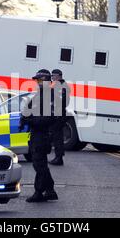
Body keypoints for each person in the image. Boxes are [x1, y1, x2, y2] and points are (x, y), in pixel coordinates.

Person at [20, 69, 58, 203]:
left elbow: (49, 118)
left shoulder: (50, 96)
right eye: (37, 81)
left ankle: (39, 192)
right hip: (36, 134)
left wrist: (31, 121)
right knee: (40, 164)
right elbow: (27, 110)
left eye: (40, 80)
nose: (37, 83)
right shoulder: (39, 95)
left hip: (43, 135)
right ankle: (50, 190)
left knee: (39, 165)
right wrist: (23, 119)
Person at [49, 69, 71, 166]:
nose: (52, 77)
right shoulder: (58, 85)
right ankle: (58, 157)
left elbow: (62, 101)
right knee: (57, 136)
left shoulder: (61, 86)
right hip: (59, 113)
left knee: (57, 137)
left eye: (53, 75)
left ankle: (59, 158)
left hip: (59, 114)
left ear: (58, 76)